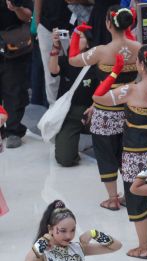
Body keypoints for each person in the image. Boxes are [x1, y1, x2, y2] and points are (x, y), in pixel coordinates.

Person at [92, 45, 147, 259]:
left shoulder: (130, 90)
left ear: (140, 65)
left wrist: (114, 72)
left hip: (136, 151)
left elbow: (98, 96)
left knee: (137, 196)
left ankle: (142, 247)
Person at [69, 6, 140, 210]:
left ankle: (112, 199)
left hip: (106, 112)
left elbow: (73, 60)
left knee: (105, 153)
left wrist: (76, 34)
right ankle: (131, 195)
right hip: (131, 110)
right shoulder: (139, 47)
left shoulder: (101, 51)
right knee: (128, 154)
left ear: (109, 24)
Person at [48, 25, 98, 167]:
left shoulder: (96, 63)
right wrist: (55, 47)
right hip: (68, 114)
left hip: (91, 112)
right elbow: (53, 70)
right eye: (72, 36)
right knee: (65, 159)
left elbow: (104, 89)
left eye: (79, 37)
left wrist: (94, 107)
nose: (74, 39)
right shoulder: (66, 60)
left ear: (88, 43)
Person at [0, 0, 32, 149]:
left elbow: (28, 16)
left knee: (14, 90)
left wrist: (16, 8)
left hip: (12, 46)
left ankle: (13, 130)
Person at [35, 0, 72, 104]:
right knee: (51, 75)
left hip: (73, 26)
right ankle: (53, 107)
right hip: (47, 25)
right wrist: (38, 25)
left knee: (74, 69)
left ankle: (73, 108)